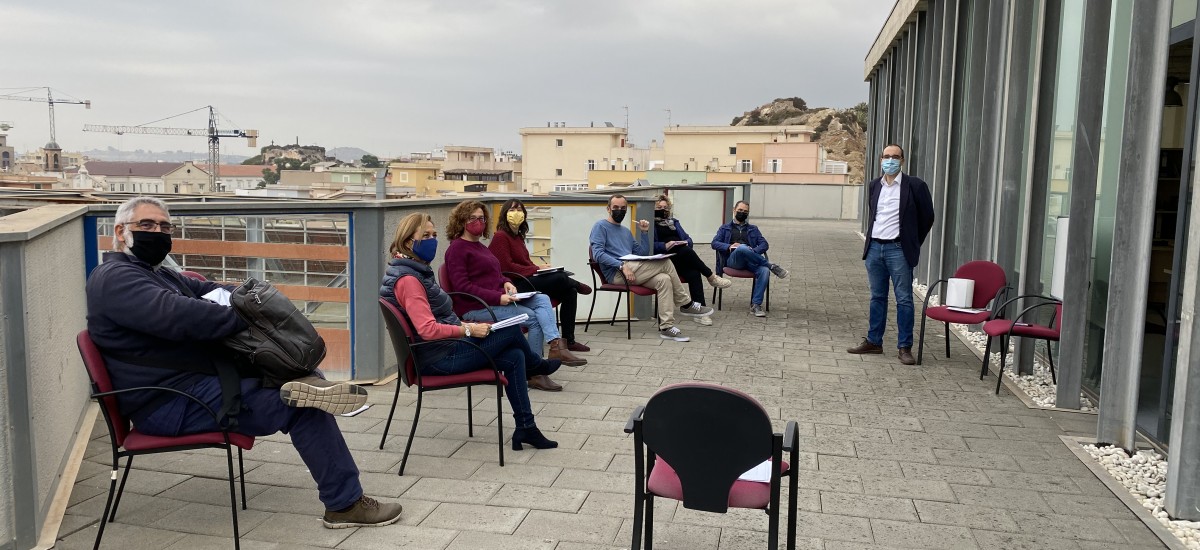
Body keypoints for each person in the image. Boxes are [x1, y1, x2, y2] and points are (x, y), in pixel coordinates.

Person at [85, 196, 403, 529]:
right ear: (121, 232)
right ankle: (345, 504)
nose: (158, 232)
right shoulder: (115, 279)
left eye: (165, 226)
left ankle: (310, 383)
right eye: (147, 225)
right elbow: (184, 316)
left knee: (295, 376)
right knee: (302, 405)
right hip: (168, 402)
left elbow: (208, 288)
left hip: (191, 385)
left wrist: (248, 300)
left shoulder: (157, 273)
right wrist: (249, 316)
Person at [380, 212, 559, 450]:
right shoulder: (410, 280)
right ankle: (536, 365)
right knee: (511, 331)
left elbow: (430, 321)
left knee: (515, 356)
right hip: (438, 358)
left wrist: (463, 326)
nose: (432, 239)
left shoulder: (412, 270)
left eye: (434, 234)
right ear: (407, 241)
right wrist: (467, 330)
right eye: (425, 235)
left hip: (440, 349)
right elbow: (427, 329)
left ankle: (526, 428)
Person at [443, 200, 587, 372]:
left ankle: (556, 347)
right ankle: (533, 370)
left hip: (496, 300)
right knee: (531, 317)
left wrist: (506, 282)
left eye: (481, 218)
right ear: (461, 221)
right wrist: (498, 297)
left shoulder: (480, 247)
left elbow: (497, 272)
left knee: (542, 298)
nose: (478, 222)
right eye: (472, 218)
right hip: (476, 307)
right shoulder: (457, 248)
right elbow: (462, 287)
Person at [846, 144, 936, 365]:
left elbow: (928, 217)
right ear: (880, 159)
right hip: (875, 248)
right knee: (877, 297)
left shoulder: (915, 185)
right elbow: (874, 214)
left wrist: (911, 242)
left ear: (902, 160)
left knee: (904, 299)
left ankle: (904, 347)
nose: (890, 160)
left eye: (895, 157)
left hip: (898, 250)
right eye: (886, 156)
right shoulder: (875, 185)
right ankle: (874, 341)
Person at [589, 194, 714, 342]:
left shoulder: (625, 231)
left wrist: (644, 232)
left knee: (664, 279)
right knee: (666, 263)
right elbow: (597, 254)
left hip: (633, 270)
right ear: (608, 209)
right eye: (615, 207)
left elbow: (641, 253)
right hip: (616, 273)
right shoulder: (600, 226)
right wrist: (621, 265)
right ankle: (686, 303)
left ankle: (666, 328)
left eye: (623, 208)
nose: (619, 210)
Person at [489, 199, 593, 361]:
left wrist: (540, 268)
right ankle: (576, 283)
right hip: (514, 286)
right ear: (504, 214)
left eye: (519, 209)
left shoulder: (518, 237)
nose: (517, 212)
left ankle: (569, 340)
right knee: (561, 278)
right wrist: (537, 269)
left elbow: (525, 263)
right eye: (512, 209)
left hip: (527, 278)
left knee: (569, 291)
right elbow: (506, 268)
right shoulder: (501, 237)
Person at [650, 194, 732, 326]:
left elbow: (689, 239)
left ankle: (700, 312)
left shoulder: (674, 222)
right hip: (664, 261)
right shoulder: (650, 223)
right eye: (659, 207)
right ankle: (711, 276)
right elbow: (648, 246)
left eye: (665, 207)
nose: (663, 210)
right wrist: (664, 245)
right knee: (686, 251)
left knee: (694, 272)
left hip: (680, 258)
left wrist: (684, 242)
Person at [712, 201, 789, 317]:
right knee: (741, 247)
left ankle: (756, 305)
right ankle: (771, 265)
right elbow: (714, 243)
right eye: (740, 210)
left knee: (764, 271)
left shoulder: (753, 229)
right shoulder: (724, 228)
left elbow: (764, 244)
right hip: (733, 261)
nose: (742, 213)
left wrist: (753, 251)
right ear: (734, 210)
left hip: (751, 261)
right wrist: (729, 246)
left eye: (745, 212)